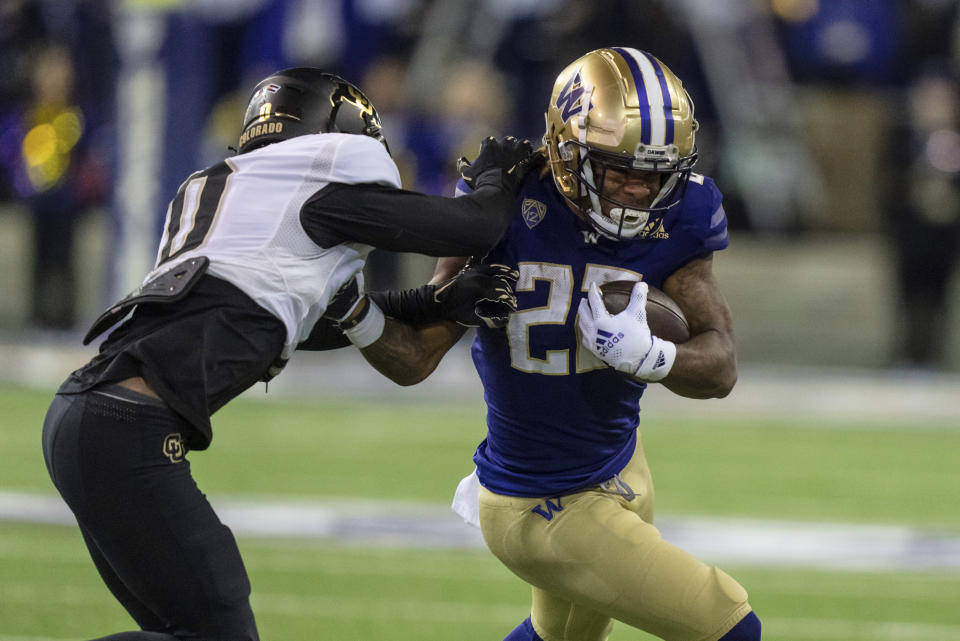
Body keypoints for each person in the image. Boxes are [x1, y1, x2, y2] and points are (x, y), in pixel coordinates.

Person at [40, 67, 537, 641]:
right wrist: (497, 174)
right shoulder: (315, 187)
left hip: (87, 417)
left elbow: (325, 333)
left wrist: (436, 301)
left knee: (190, 630)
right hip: (126, 430)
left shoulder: (235, 200)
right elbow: (475, 228)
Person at [355, 48, 762, 640]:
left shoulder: (681, 214)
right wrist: (352, 310)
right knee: (730, 626)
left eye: (654, 174)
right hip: (538, 503)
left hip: (624, 462)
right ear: (567, 148)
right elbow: (415, 355)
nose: (636, 192)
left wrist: (654, 357)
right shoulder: (503, 208)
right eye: (618, 169)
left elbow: (720, 366)